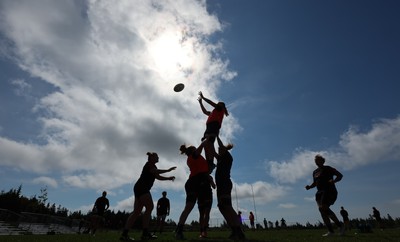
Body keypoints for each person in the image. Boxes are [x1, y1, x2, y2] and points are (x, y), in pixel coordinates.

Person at [120, 152, 176, 241]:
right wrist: (168, 170)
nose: (158, 158)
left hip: (139, 187)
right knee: (150, 207)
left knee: (137, 212)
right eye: (156, 156)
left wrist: (168, 178)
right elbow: (154, 172)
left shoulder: (153, 166)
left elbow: (158, 176)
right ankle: (145, 233)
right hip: (142, 188)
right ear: (151, 158)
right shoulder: (149, 165)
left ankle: (124, 234)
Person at [175, 142, 210, 240]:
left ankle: (180, 230)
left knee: (191, 207)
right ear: (193, 151)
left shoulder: (196, 158)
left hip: (197, 183)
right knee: (189, 207)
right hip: (193, 183)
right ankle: (179, 231)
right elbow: (201, 147)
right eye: (195, 149)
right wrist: (205, 141)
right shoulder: (193, 156)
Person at [305, 154, 345, 237]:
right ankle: (331, 232)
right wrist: (309, 187)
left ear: (323, 161)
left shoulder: (328, 168)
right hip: (319, 193)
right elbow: (315, 183)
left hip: (329, 190)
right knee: (321, 210)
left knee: (323, 207)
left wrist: (334, 181)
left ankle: (340, 226)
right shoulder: (315, 172)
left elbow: (340, 175)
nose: (317, 162)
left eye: (318, 160)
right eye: (315, 160)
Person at [215, 136, 245, 240]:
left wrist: (216, 136)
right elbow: (212, 152)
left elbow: (220, 145)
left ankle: (239, 231)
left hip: (225, 184)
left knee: (227, 206)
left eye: (220, 149)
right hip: (219, 186)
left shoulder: (227, 157)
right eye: (218, 150)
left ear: (224, 150)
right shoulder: (219, 159)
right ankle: (234, 230)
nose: (219, 150)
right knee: (221, 207)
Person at [198, 91, 229, 173]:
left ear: (222, 106)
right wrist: (200, 103)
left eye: (219, 104)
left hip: (214, 126)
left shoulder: (220, 109)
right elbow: (204, 112)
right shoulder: (213, 113)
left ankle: (216, 159)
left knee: (209, 143)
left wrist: (203, 98)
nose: (217, 104)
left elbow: (211, 103)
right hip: (209, 128)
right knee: (206, 144)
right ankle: (209, 162)